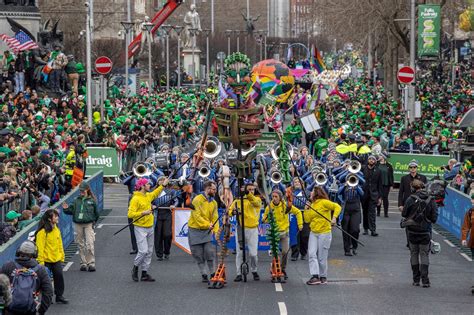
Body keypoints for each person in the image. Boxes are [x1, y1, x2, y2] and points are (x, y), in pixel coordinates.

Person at [128, 176, 169, 282]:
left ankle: (144, 273)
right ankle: (135, 268)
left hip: (150, 226)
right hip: (140, 227)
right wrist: (143, 212)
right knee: (143, 251)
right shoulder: (135, 199)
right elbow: (130, 214)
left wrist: (163, 185)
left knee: (150, 251)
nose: (150, 185)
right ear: (142, 186)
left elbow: (156, 192)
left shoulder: (148, 196)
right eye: (147, 184)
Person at [401, 179, 438, 288]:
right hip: (425, 231)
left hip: (412, 231)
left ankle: (416, 280)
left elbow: (404, 214)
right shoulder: (431, 199)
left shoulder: (410, 199)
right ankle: (425, 281)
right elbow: (434, 218)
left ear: (412, 188)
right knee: (424, 254)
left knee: (414, 253)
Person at [1, 241, 53, 315]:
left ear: (18, 252)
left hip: (9, 310)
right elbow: (48, 292)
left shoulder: (7, 266)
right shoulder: (41, 270)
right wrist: (41, 310)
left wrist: (2, 308)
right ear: (35, 254)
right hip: (31, 310)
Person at [304, 186, 342, 285]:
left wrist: (334, 218)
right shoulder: (312, 204)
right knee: (312, 254)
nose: (310, 193)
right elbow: (307, 220)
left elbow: (337, 207)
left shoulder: (324, 202)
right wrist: (307, 209)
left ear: (316, 193)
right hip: (314, 232)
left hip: (324, 232)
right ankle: (315, 276)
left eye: (312, 191)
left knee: (322, 257)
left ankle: (323, 276)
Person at [263, 189, 303, 280]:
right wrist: (266, 219)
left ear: (280, 197)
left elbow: (298, 212)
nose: (274, 198)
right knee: (275, 253)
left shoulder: (285, 205)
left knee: (285, 252)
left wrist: (300, 224)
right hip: (274, 233)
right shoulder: (269, 207)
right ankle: (274, 269)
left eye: (276, 197)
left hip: (284, 232)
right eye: (272, 197)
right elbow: (264, 218)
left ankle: (283, 269)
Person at [62, 182, 99, 272]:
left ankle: (91, 263)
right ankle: (83, 263)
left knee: (90, 244)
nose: (81, 192)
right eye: (80, 190)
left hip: (88, 224)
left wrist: (93, 221)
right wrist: (66, 208)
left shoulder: (92, 201)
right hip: (78, 224)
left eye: (83, 190)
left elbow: (96, 213)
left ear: (87, 190)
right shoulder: (76, 200)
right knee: (80, 244)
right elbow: (70, 211)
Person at [228, 182, 262, 282]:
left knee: (253, 254)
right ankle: (238, 273)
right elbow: (230, 211)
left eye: (252, 189)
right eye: (249, 189)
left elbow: (254, 201)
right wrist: (233, 212)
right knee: (239, 253)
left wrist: (247, 193)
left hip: (252, 229)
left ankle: (254, 270)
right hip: (241, 228)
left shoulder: (257, 200)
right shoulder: (238, 201)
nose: (251, 191)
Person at [188, 180, 219, 283]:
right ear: (208, 189)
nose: (215, 191)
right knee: (198, 255)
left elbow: (215, 217)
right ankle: (203, 274)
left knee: (209, 252)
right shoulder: (197, 200)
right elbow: (196, 216)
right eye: (214, 189)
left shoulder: (214, 202)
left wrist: (216, 230)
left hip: (207, 230)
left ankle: (212, 273)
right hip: (195, 230)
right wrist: (207, 224)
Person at [35, 209, 68, 304]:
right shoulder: (42, 232)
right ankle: (47, 298)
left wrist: (62, 255)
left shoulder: (56, 229)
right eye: (55, 216)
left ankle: (59, 296)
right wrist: (41, 262)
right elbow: (39, 248)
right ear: (50, 219)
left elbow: (60, 244)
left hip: (56, 259)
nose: (57, 217)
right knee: (46, 281)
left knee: (59, 276)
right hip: (45, 261)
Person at [339, 180, 363, 256]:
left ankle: (354, 246)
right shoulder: (344, 184)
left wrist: (356, 186)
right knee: (345, 230)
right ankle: (347, 250)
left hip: (355, 209)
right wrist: (345, 185)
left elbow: (362, 193)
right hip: (346, 208)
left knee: (355, 229)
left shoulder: (357, 185)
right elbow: (338, 192)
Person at [361, 155, 382, 236]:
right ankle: (365, 229)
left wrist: (380, 197)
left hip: (374, 194)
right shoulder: (363, 168)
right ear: (368, 160)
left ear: (375, 161)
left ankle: (373, 230)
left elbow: (380, 184)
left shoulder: (378, 171)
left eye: (373, 159)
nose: (371, 160)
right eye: (370, 159)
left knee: (372, 213)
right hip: (364, 194)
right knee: (365, 212)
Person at [461, 194, 474, 259]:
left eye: (472, 199)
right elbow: (466, 226)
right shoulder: (470, 212)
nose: (471, 201)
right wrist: (464, 238)